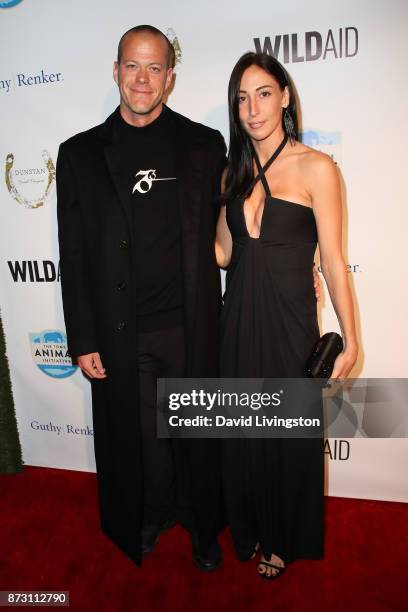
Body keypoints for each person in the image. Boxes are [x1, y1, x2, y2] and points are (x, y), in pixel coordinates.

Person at [56, 25, 226, 569]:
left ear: (171, 77)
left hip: (191, 325)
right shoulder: (79, 155)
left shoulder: (204, 144)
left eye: (155, 68)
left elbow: (235, 228)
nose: (143, 79)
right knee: (142, 443)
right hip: (122, 331)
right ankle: (147, 516)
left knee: (196, 436)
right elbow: (74, 254)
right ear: (115, 71)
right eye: (133, 65)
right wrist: (82, 337)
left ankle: (203, 526)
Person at [215, 52, 358, 579]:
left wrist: (351, 338)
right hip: (237, 321)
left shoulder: (317, 167)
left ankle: (283, 537)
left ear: (286, 96)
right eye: (243, 97)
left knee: (288, 436)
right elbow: (224, 252)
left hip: (291, 320)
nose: (253, 108)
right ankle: (250, 525)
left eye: (264, 93)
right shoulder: (232, 171)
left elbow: (336, 263)